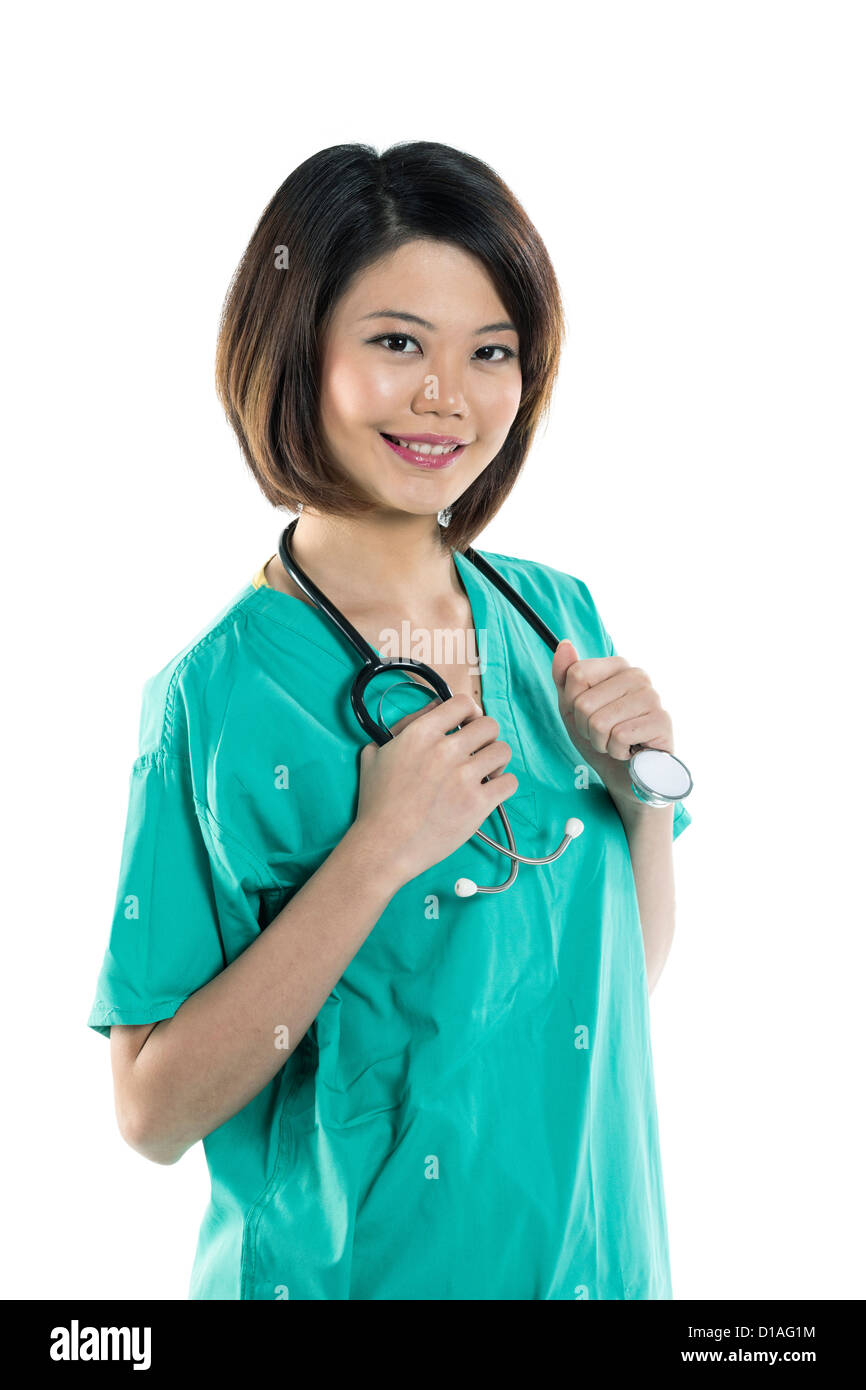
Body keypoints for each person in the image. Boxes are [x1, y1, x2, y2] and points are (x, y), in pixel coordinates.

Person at [86, 141, 692, 1300]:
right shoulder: (214, 699)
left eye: (491, 353)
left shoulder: (553, 619)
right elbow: (150, 1114)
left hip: (597, 1269)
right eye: (396, 342)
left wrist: (637, 805)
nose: (446, 398)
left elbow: (617, 982)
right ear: (293, 349)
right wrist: (373, 855)